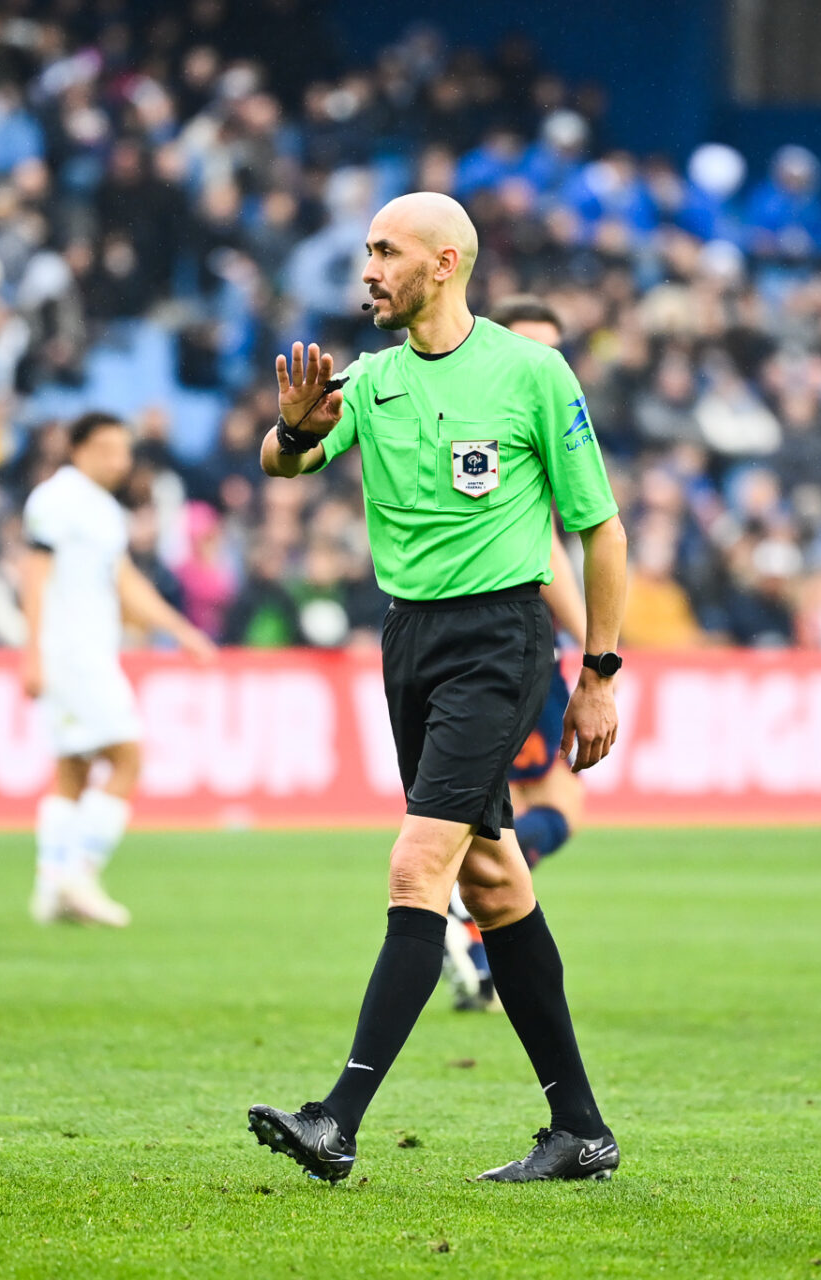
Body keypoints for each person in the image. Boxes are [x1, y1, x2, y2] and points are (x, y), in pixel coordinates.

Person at [246, 193, 629, 1184]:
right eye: (367, 253)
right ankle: (580, 1129)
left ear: (445, 262)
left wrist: (598, 674)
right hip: (408, 640)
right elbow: (282, 464)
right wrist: (289, 431)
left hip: (500, 639)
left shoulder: (530, 373)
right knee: (493, 878)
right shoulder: (368, 383)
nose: (368, 269)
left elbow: (601, 528)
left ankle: (337, 1116)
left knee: (419, 867)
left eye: (386, 251)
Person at [442, 295, 590, 1014]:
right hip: (514, 640)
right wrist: (600, 643)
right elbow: (543, 551)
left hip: (482, 637)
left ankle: (479, 953)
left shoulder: (503, 412)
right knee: (548, 804)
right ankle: (455, 912)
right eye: (534, 344)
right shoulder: (510, 425)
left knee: (509, 807)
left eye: (556, 348)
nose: (547, 361)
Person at [20, 411, 217, 927]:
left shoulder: (105, 511)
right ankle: (80, 874)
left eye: (123, 450)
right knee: (128, 757)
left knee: (74, 769)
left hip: (82, 652)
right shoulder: (55, 500)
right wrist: (32, 651)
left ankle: (49, 890)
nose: (119, 460)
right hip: (72, 655)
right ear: (78, 448)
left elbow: (127, 585)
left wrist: (182, 632)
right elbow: (33, 576)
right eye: (108, 448)